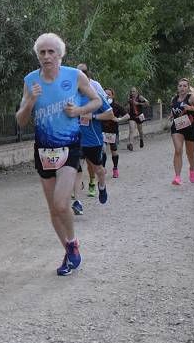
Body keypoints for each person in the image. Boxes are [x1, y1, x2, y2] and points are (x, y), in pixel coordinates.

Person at [16, 33, 103, 276]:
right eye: (42, 52)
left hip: (69, 147)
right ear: (38, 56)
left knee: (60, 202)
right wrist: (30, 101)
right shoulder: (31, 81)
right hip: (43, 150)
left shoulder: (74, 76)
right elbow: (21, 121)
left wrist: (78, 110)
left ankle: (72, 241)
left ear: (60, 54)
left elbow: (97, 101)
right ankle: (69, 250)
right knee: (53, 209)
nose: (46, 56)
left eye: (51, 52)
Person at [75, 63, 114, 204]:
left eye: (84, 73)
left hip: (93, 140)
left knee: (98, 169)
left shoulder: (95, 96)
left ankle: (101, 186)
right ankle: (76, 201)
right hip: (76, 140)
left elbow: (110, 114)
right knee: (75, 169)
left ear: (88, 76)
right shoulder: (71, 96)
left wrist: (94, 117)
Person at [168, 77, 194, 185]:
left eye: (185, 86)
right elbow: (175, 109)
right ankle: (177, 177)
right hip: (177, 126)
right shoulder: (173, 99)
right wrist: (171, 115)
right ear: (177, 87)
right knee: (178, 150)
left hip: (190, 128)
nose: (182, 88)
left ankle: (192, 169)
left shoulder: (192, 97)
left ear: (188, 87)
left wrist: (191, 108)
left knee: (190, 153)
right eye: (180, 86)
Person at [100, 87, 130, 178]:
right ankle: (103, 168)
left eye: (109, 94)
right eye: (105, 94)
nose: (107, 96)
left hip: (113, 132)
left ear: (113, 96)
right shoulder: (100, 105)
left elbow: (127, 115)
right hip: (102, 131)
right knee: (103, 149)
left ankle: (115, 168)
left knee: (114, 151)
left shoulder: (116, 106)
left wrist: (119, 119)